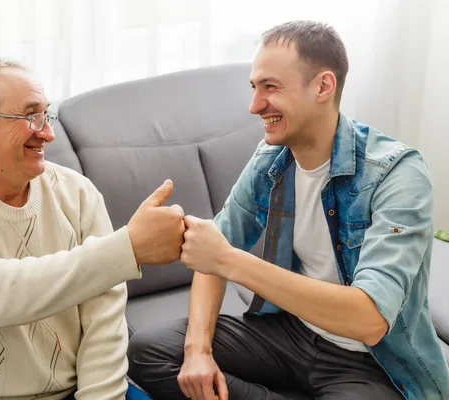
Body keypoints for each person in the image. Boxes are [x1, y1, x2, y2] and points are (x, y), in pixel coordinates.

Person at [127, 20, 449, 400]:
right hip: (292, 334)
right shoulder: (272, 160)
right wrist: (198, 351)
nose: (254, 105)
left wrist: (229, 260)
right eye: (254, 87)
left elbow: (370, 320)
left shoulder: (397, 173)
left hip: (370, 360)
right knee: (149, 352)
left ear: (323, 87)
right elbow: (214, 247)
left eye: (271, 88)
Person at [0, 58, 184, 400]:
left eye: (46, 115)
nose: (48, 132)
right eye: (31, 116)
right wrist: (128, 247)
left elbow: (104, 317)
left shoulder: (77, 192)